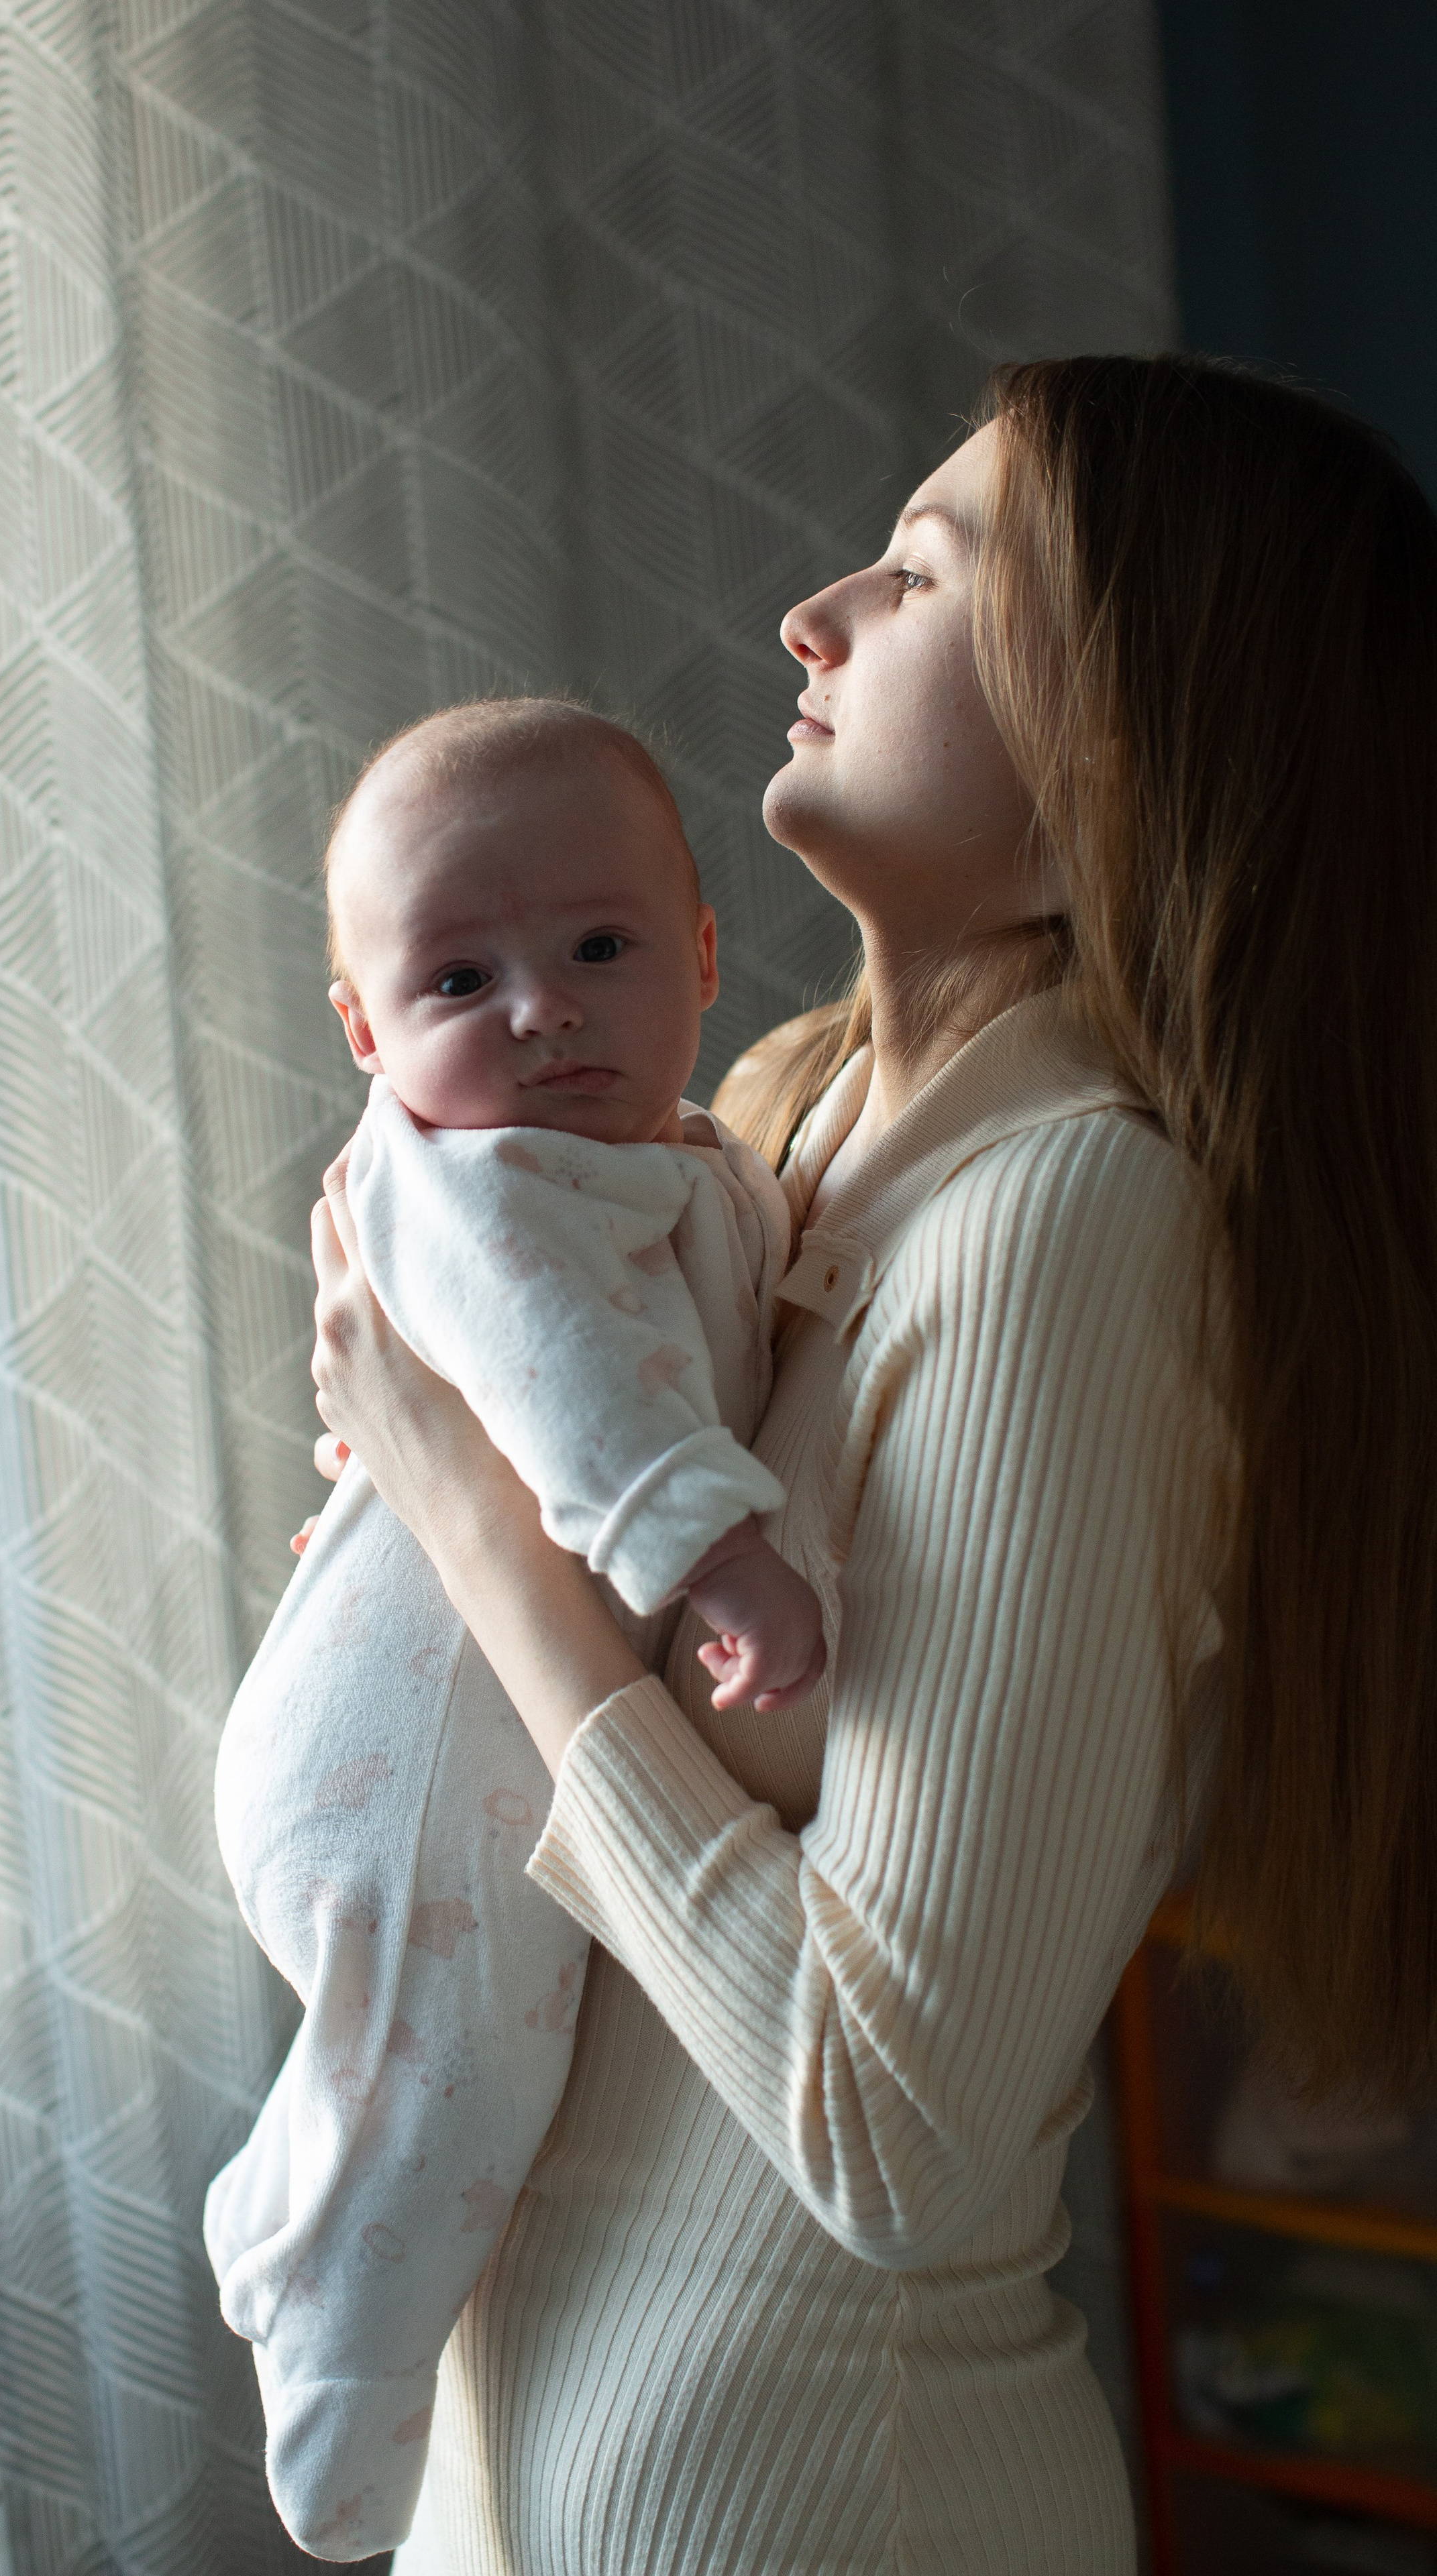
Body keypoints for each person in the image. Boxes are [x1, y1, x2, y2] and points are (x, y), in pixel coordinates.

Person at [303, 355, 1437, 2574]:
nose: (815, 612)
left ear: (1115, 729)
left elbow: (892, 2126)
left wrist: (488, 1540)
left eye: (922, 574)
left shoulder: (1071, 1223)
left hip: (823, 2499)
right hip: (521, 2469)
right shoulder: (774, 1132)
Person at [204, 701, 822, 2561]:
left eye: (601, 949)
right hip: (396, 1753)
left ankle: (294, 2203)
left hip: (449, 1704)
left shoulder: (679, 1153)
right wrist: (720, 1555)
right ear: (367, 1034)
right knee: (460, 2069)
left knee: (458, 2052)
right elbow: (577, 1392)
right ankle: (328, 2352)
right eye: (460, 974)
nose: (543, 1007)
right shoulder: (477, 1185)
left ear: (703, 956)